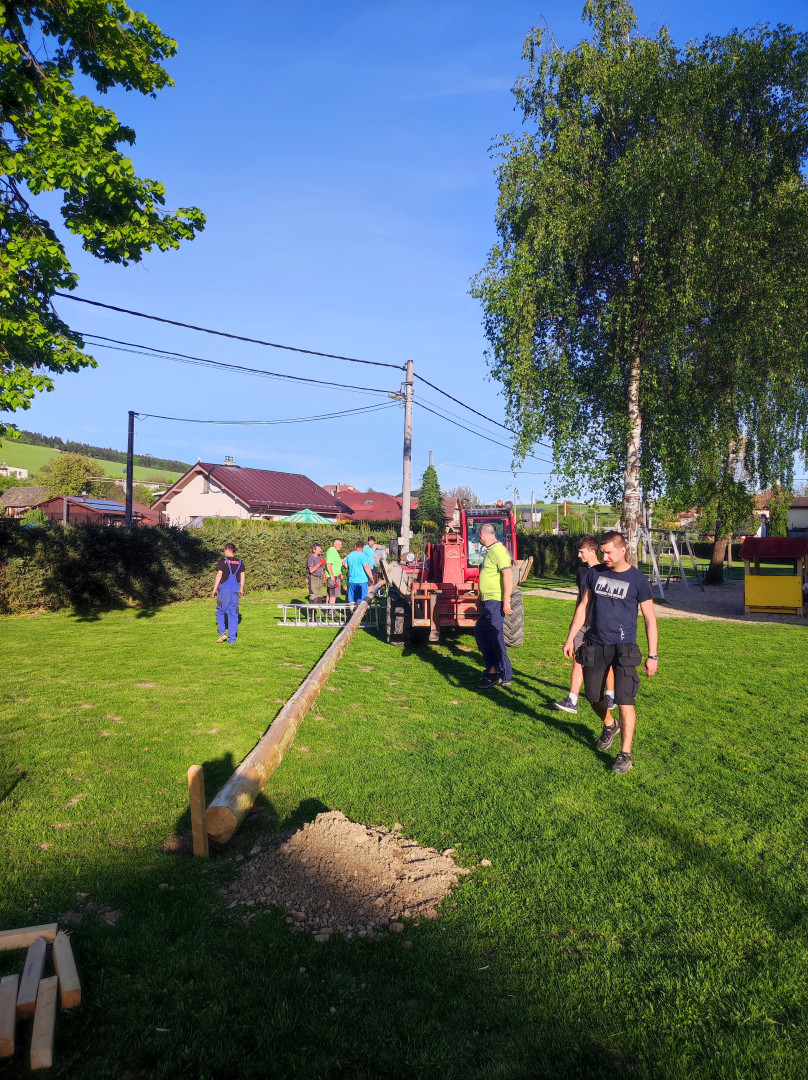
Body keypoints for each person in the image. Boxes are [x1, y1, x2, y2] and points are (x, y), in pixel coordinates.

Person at [563, 531, 658, 773]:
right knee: (593, 697)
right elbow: (584, 607)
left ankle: (625, 754)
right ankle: (609, 724)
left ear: (622, 550)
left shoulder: (638, 580)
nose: (604, 557)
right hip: (596, 644)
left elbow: (650, 618)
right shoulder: (595, 573)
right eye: (602, 552)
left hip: (624, 648)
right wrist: (571, 638)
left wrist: (652, 655)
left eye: (608, 553)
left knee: (625, 701)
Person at [555, 535, 615, 715]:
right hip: (582, 623)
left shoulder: (605, 571)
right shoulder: (581, 572)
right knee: (578, 659)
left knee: (605, 661)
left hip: (599, 624)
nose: (579, 555)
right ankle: (572, 700)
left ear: (592, 551)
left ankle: (610, 695)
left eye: (582, 552)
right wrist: (574, 625)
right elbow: (581, 599)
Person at [474, 522, 513, 689]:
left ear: (482, 535)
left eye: (479, 535)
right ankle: (504, 674)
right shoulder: (491, 550)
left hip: (495, 601)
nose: (479, 538)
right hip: (490, 600)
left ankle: (494, 672)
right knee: (494, 636)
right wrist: (480, 596)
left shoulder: (498, 550)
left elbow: (508, 573)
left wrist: (506, 599)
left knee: (483, 633)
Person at [211, 543, 245, 644]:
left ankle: (222, 633)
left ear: (227, 550)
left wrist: (214, 589)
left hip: (224, 591)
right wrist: (241, 589)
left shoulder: (223, 561)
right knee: (233, 613)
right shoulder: (240, 562)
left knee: (220, 611)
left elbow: (219, 575)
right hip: (235, 590)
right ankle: (232, 639)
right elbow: (242, 577)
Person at [343, 539, 374, 607]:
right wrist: (371, 577)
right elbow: (366, 567)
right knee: (361, 600)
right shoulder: (363, 555)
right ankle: (360, 612)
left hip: (351, 580)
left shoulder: (349, 555)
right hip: (361, 581)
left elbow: (346, 565)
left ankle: (352, 611)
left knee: (352, 599)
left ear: (355, 547)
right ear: (363, 547)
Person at [324, 538, 344, 604]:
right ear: (334, 544)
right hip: (333, 576)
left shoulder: (333, 551)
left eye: (341, 544)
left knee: (330, 593)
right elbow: (328, 563)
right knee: (333, 595)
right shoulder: (332, 551)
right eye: (339, 544)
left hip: (334, 576)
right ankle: (331, 609)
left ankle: (328, 608)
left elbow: (334, 561)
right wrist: (332, 575)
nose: (340, 546)